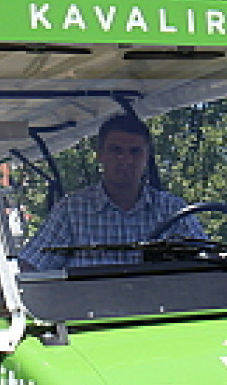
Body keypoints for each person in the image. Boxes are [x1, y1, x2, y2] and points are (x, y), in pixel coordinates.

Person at [19, 115, 204, 270]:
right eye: (116, 151)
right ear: (100, 155)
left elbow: (208, 264)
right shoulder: (70, 212)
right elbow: (31, 267)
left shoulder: (174, 211)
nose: (126, 160)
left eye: (135, 152)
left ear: (147, 157)